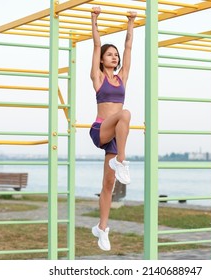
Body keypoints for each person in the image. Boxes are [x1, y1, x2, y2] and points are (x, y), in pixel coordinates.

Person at [89, 6, 137, 251]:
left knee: (108, 185)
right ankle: (122, 161)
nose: (114, 57)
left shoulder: (123, 77)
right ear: (102, 60)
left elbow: (129, 47)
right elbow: (96, 45)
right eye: (110, 55)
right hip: (101, 130)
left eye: (115, 55)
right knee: (125, 114)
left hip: (116, 136)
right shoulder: (98, 77)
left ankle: (102, 229)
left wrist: (130, 23)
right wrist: (94, 19)